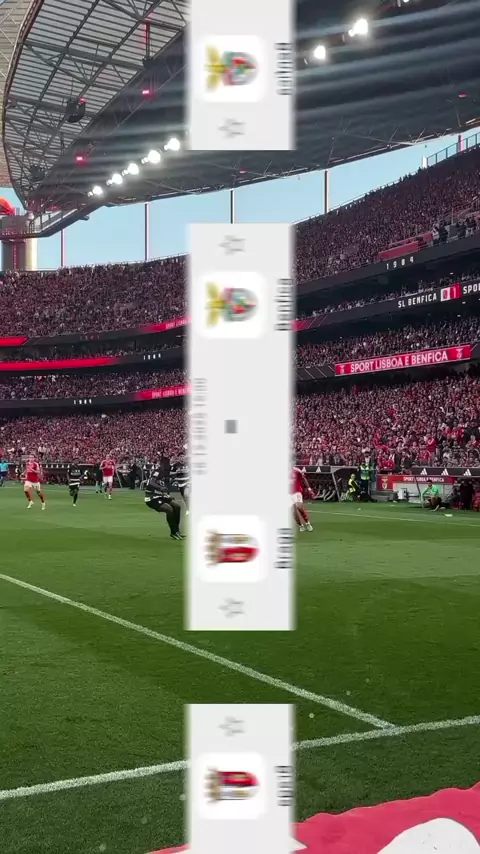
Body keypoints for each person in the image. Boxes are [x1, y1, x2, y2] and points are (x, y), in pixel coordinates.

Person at [144, 463, 185, 540]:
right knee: (169, 509)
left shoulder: (166, 474)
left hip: (161, 496)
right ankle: (173, 532)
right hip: (152, 498)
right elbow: (151, 482)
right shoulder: (157, 471)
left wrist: (167, 495)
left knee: (177, 507)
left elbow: (166, 484)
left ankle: (177, 531)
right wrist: (160, 488)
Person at [291, 467, 313, 532]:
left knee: (299, 506)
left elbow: (304, 479)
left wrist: (309, 489)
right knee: (293, 511)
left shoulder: (297, 470)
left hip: (297, 492)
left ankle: (307, 523)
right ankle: (301, 526)